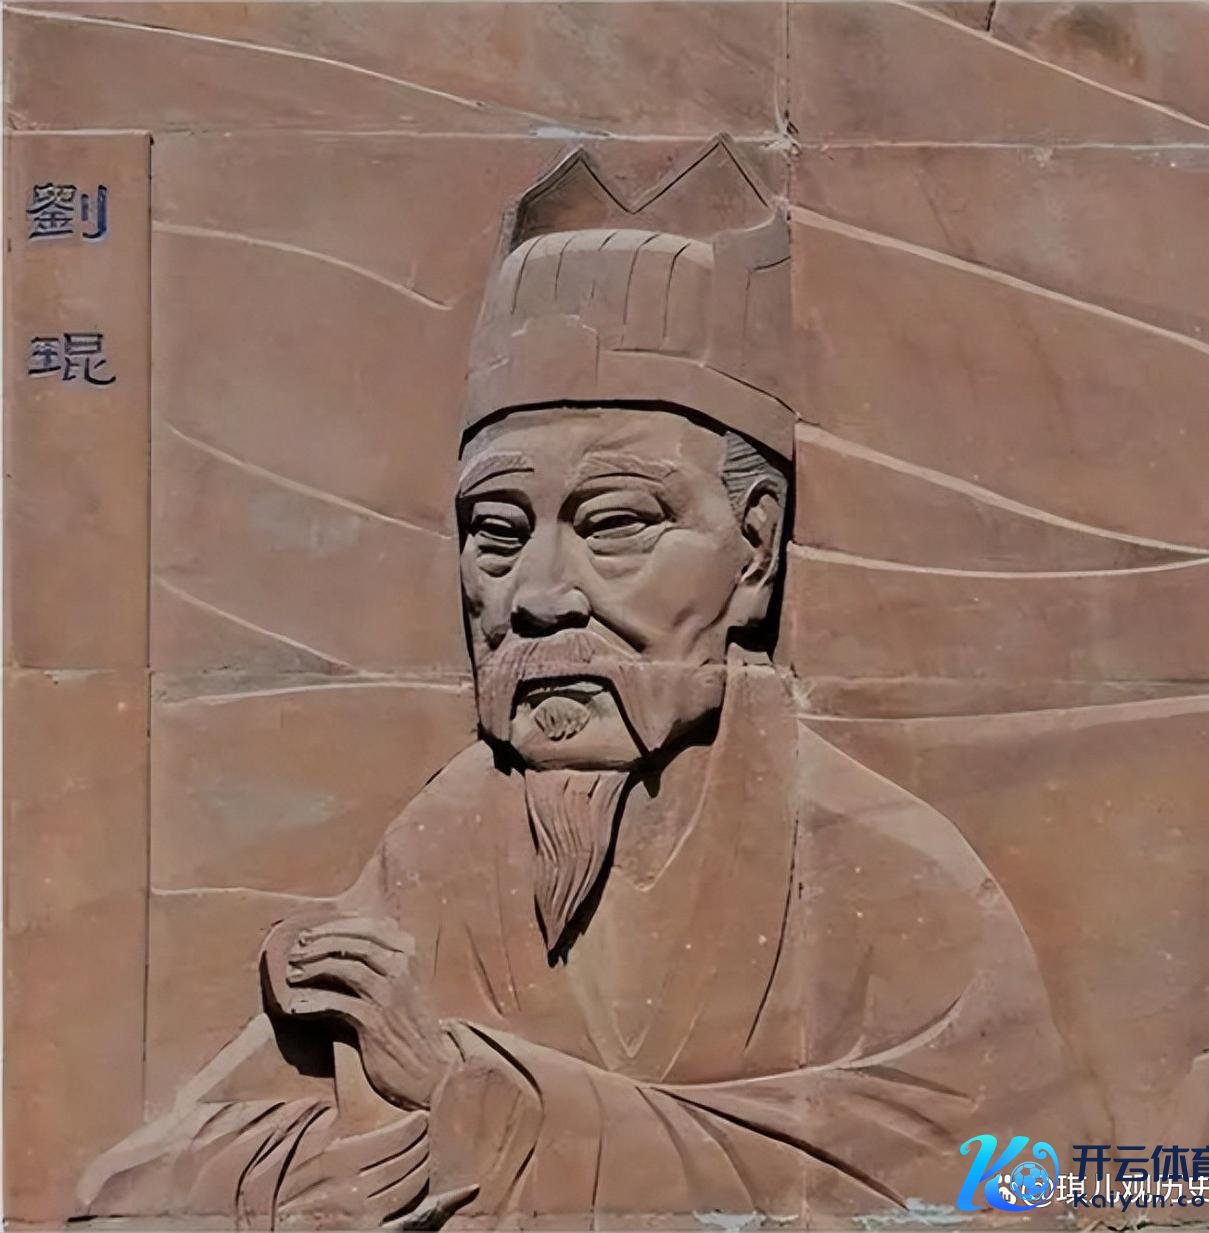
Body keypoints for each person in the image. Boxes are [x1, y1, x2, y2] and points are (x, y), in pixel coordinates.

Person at [80, 139, 1088, 1231]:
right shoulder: (455, 836)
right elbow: (133, 1184)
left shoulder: (892, 876)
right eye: (495, 533)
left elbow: (1018, 1187)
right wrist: (311, 1123)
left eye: (616, 525)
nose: (541, 595)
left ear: (754, 553)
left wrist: (463, 1089)